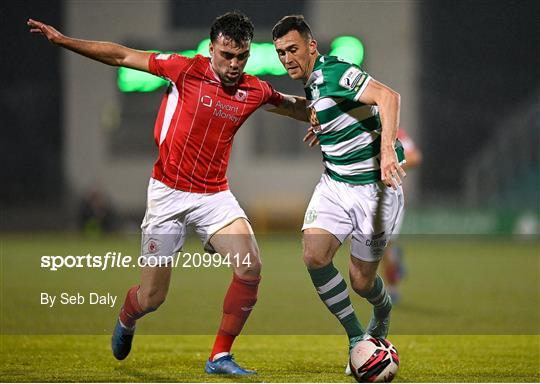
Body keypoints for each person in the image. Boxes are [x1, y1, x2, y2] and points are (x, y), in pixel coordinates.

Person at [28, 12, 309, 375]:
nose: (234, 64)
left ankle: (219, 356)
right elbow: (121, 56)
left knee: (250, 265)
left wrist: (340, 110)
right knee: (152, 298)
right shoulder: (184, 70)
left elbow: (295, 108)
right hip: (168, 195)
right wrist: (64, 41)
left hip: (214, 196)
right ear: (211, 49)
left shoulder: (254, 90)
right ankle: (128, 315)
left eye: (241, 56)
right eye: (226, 55)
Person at [272, 15, 406, 374]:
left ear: (311, 47)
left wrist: (388, 151)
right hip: (334, 185)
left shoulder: (334, 72)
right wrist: (326, 127)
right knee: (314, 256)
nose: (287, 58)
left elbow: (388, 97)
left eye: (293, 49)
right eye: (281, 52)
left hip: (375, 193)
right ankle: (355, 339)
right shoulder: (311, 84)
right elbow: (332, 108)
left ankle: (383, 308)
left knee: (361, 281)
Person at [381, 128, 421, 303]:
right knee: (372, 247)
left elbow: (414, 157)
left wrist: (389, 166)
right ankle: (394, 259)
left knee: (381, 245)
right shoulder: (357, 127)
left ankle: (392, 288)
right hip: (363, 198)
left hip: (389, 199)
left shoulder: (394, 132)